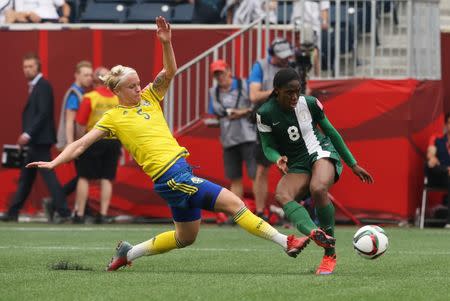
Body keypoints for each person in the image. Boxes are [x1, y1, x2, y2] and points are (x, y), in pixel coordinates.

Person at [27, 17, 310, 271]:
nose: (139, 88)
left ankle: (129, 252)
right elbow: (80, 144)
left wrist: (167, 43)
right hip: (171, 176)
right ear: (117, 91)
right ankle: (286, 241)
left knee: (185, 238)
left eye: (139, 83)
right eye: (132, 86)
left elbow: (170, 71)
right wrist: (54, 161)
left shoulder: (149, 96)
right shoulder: (113, 117)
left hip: (177, 173)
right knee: (234, 203)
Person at [256, 68, 374, 275]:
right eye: (289, 92)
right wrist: (278, 158)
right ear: (277, 91)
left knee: (318, 188)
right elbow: (267, 146)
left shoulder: (309, 103)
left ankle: (330, 254)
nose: (294, 96)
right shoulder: (264, 113)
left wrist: (352, 163)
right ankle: (314, 232)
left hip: (320, 152)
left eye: (297, 91)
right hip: (297, 164)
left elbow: (331, 132)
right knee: (282, 194)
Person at [0, 52, 71, 222]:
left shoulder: (43, 85)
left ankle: (64, 212)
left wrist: (27, 133)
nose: (27, 70)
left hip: (40, 140)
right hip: (36, 140)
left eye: (30, 66)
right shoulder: (37, 85)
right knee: (26, 178)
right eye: (25, 67)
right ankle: (13, 211)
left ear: (38, 67)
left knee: (48, 176)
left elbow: (43, 113)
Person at [248, 37, 294, 220]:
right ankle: (260, 213)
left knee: (295, 166)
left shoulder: (292, 66)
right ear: (272, 55)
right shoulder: (260, 66)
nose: (285, 59)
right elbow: (253, 95)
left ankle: (293, 210)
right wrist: (278, 91)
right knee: (262, 168)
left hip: (287, 120)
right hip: (266, 120)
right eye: (281, 56)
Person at [208, 59, 257, 223]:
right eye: (216, 74)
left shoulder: (244, 84)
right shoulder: (213, 91)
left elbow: (255, 106)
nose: (219, 77)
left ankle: (261, 212)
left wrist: (241, 112)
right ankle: (237, 215)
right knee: (235, 178)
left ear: (229, 71)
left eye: (221, 72)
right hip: (229, 139)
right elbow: (216, 112)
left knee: (255, 175)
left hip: (248, 136)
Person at [45, 60, 93, 222]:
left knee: (83, 175)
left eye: (90, 75)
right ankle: (55, 203)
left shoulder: (81, 93)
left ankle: (56, 203)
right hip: (75, 142)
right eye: (85, 75)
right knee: (83, 175)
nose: (89, 78)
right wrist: (72, 145)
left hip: (78, 142)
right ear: (77, 75)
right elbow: (68, 121)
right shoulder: (75, 94)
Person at [74, 67, 120, 224]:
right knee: (107, 178)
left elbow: (80, 124)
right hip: (113, 140)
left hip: (92, 140)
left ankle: (79, 214)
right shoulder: (118, 98)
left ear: (94, 80)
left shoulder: (90, 97)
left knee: (84, 177)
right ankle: (103, 213)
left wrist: (79, 143)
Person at [426, 113, 450, 228]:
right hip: (439, 176)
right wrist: (445, 168)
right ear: (446, 125)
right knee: (430, 164)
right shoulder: (437, 139)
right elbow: (431, 156)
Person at [5, 0, 70, 23]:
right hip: (30, 21)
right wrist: (28, 14)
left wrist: (65, 16)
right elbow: (18, 13)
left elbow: (65, 5)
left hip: (53, 20)